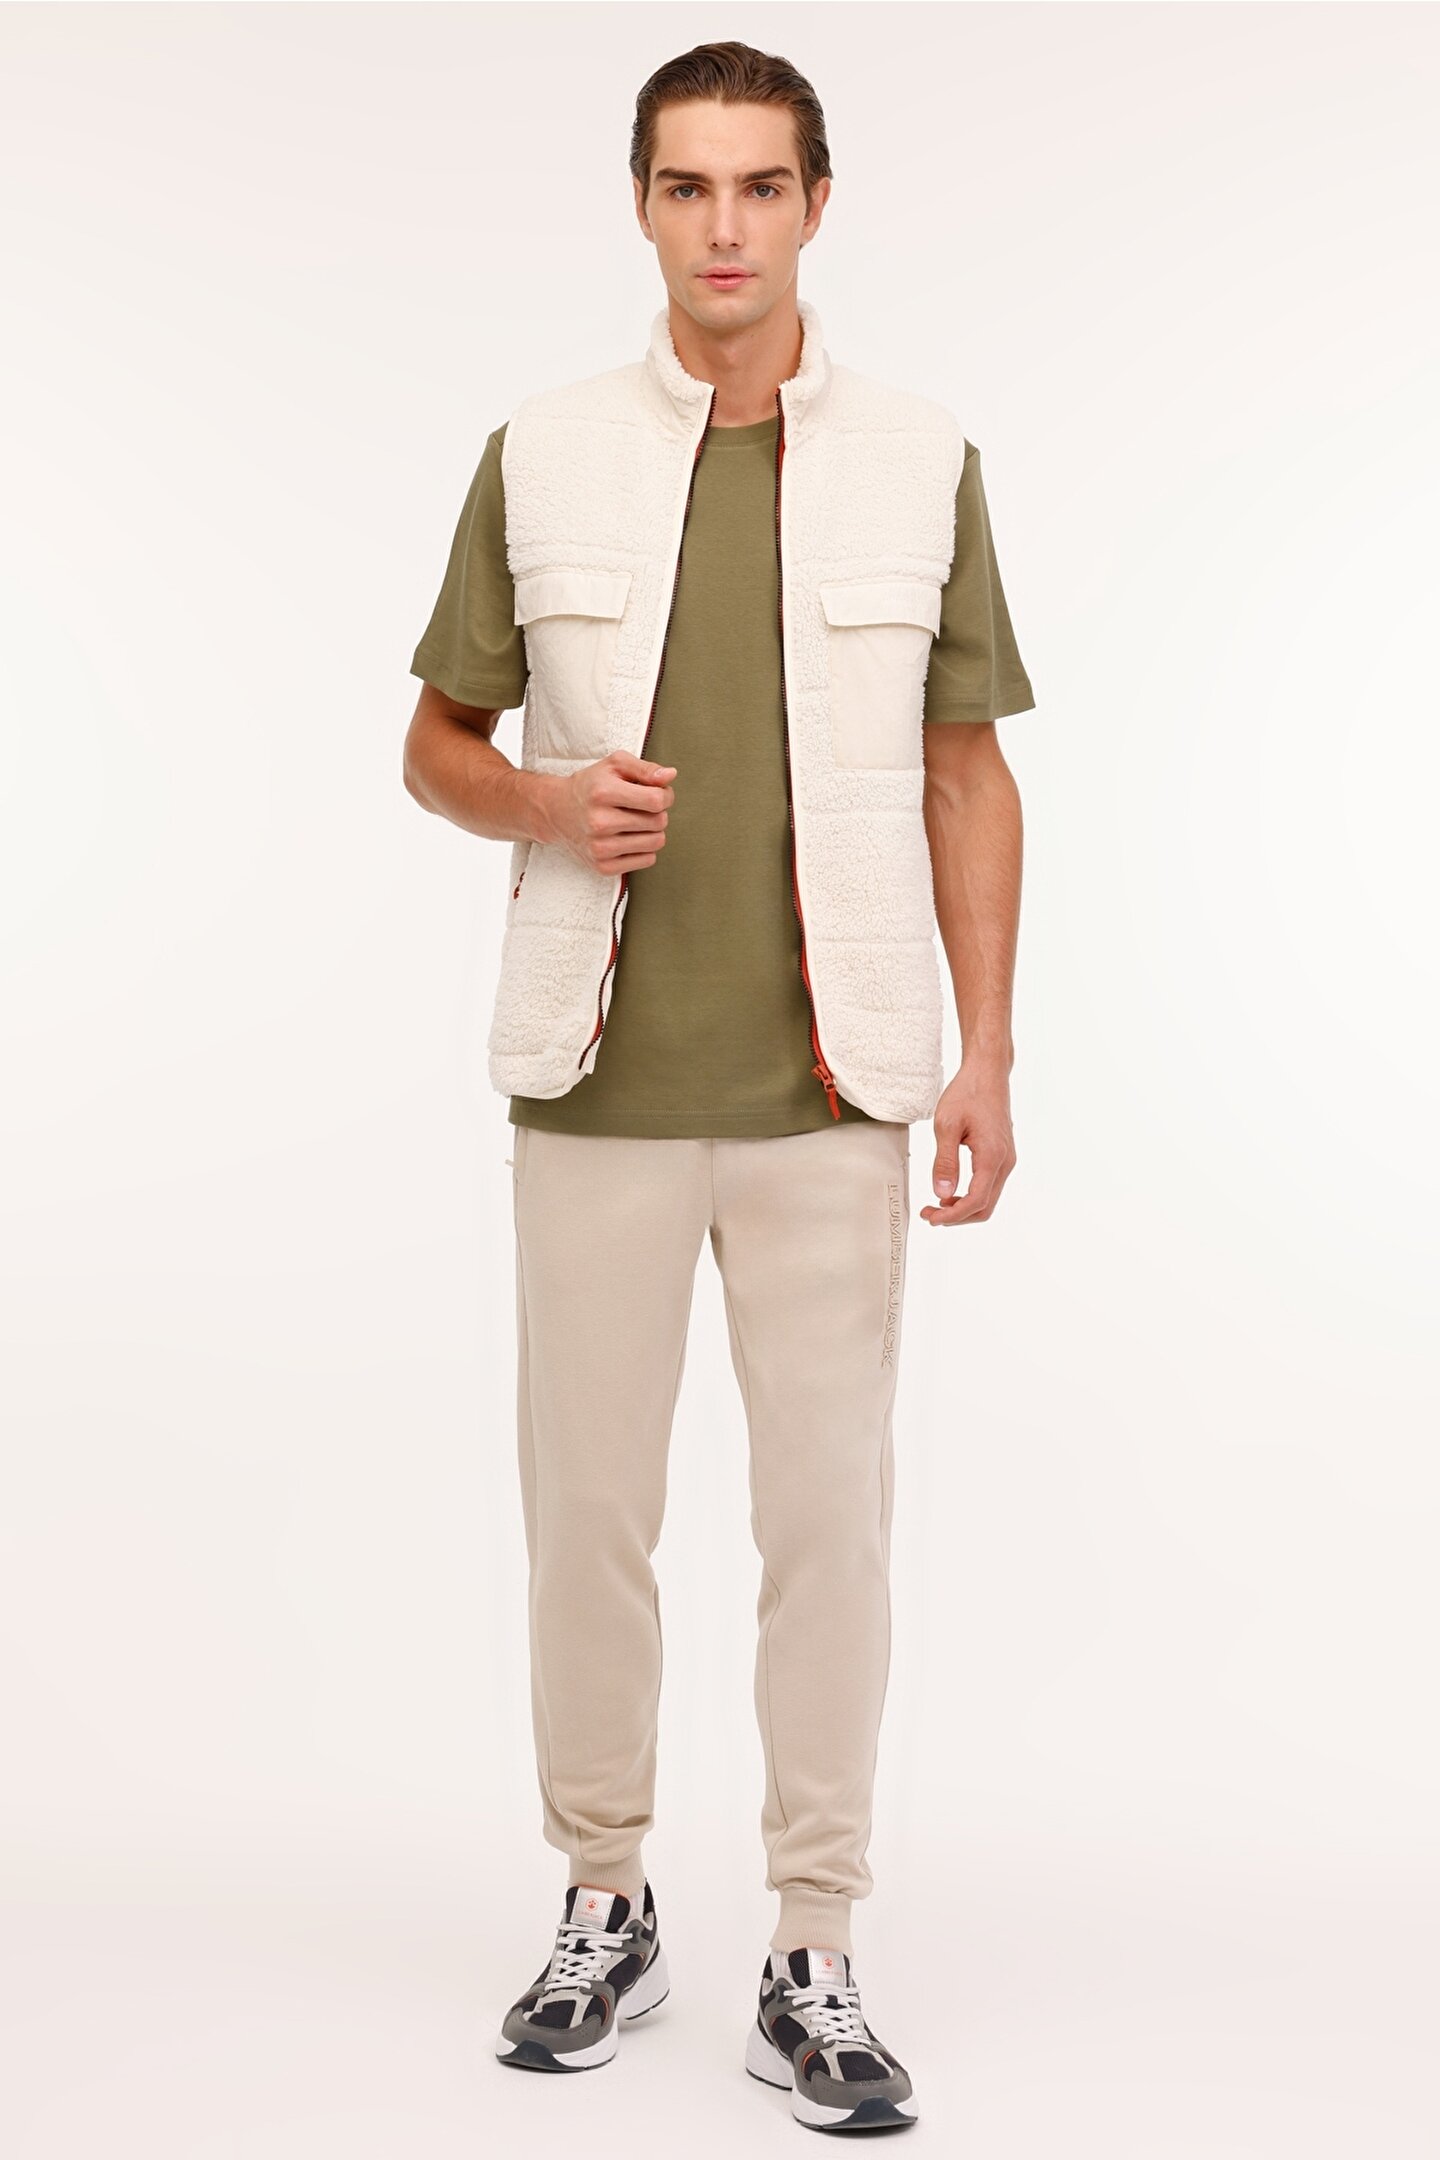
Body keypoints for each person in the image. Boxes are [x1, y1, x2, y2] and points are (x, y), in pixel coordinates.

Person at [402, 39, 1034, 2135]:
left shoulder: (923, 460)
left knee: (829, 1531)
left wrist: (988, 1052)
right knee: (587, 1522)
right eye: (690, 187)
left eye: (764, 186)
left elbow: (967, 775)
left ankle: (814, 1948)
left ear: (818, 204)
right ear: (644, 208)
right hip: (592, 1087)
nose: (727, 227)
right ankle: (605, 1902)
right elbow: (436, 744)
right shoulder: (543, 451)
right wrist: (547, 800)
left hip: (834, 1094)